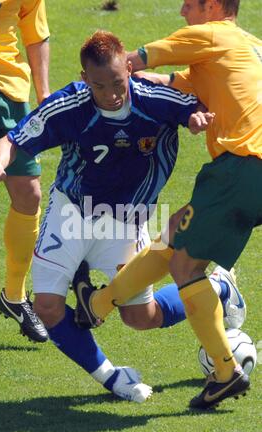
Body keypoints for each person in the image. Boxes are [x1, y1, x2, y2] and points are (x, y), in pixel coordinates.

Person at [0, 30, 221, 402]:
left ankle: (221, 288)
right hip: (71, 211)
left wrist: (196, 118)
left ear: (128, 69)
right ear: (84, 77)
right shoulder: (70, 106)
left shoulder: (155, 100)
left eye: (118, 83)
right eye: (100, 86)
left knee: (141, 317)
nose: (111, 94)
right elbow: (12, 140)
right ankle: (111, 377)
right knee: (46, 306)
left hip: (128, 220)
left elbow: (198, 104)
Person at [71, 0, 261, 409]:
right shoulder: (247, 46)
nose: (181, 11)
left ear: (212, 6)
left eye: (189, 4)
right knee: (173, 236)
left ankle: (226, 372)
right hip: (250, 173)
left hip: (241, 167)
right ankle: (98, 304)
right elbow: (173, 80)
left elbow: (135, 62)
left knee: (185, 266)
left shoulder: (212, 33)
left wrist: (98, 80)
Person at [0, 0, 50, 354]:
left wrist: (44, 94)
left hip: (11, 90)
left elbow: (35, 32)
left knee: (29, 194)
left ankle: (14, 297)